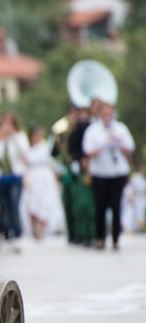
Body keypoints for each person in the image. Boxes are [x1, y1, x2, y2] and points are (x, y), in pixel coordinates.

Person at [82, 98, 135, 250]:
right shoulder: (93, 130)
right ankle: (100, 238)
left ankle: (116, 238)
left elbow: (129, 147)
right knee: (100, 206)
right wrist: (104, 141)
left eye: (109, 113)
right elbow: (88, 150)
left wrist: (117, 141)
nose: (107, 116)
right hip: (100, 173)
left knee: (116, 205)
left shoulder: (120, 128)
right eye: (104, 113)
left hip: (117, 172)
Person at [0, 110, 29, 251]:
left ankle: (17, 234)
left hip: (15, 177)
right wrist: (0, 135)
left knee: (14, 205)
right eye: (5, 121)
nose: (7, 125)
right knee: (3, 207)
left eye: (10, 122)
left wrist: (14, 137)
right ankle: (6, 235)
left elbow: (25, 155)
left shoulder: (20, 136)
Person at [21, 125, 66, 240]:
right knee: (31, 202)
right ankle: (34, 228)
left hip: (45, 178)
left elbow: (53, 161)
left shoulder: (46, 147)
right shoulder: (28, 148)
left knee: (45, 202)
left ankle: (42, 228)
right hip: (32, 177)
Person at [65, 105, 95, 246]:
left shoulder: (92, 128)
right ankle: (81, 234)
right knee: (80, 206)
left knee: (91, 206)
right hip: (79, 169)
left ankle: (92, 234)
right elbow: (72, 148)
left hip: (92, 168)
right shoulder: (74, 131)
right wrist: (80, 159)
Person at [121, 159, 146, 235]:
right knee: (130, 214)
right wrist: (131, 196)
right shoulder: (136, 177)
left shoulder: (142, 178)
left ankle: (137, 227)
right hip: (136, 198)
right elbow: (131, 187)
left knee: (139, 214)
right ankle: (128, 228)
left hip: (142, 198)